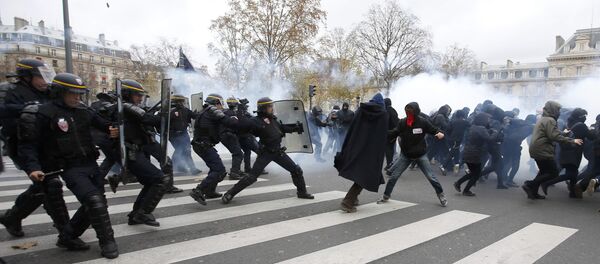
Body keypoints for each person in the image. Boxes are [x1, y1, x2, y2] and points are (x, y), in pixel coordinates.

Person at [18, 73, 119, 258]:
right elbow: (29, 144)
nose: (77, 97)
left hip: (90, 164)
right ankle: (107, 241)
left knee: (97, 203)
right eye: (72, 93)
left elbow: (104, 124)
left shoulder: (83, 110)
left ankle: (67, 235)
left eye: (79, 93)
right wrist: (33, 167)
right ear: (59, 92)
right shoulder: (44, 113)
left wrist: (113, 129)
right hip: (68, 166)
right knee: (94, 201)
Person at [0, 59, 70, 238]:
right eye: (40, 76)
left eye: (46, 76)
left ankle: (12, 217)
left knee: (41, 188)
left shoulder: (49, 92)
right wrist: (31, 110)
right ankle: (67, 231)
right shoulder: (13, 93)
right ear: (26, 77)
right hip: (24, 146)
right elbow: (6, 115)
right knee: (51, 185)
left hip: (49, 147)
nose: (44, 80)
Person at [222, 97, 314, 203]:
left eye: (272, 106)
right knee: (251, 177)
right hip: (266, 153)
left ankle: (302, 192)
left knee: (296, 170)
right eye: (270, 106)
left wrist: (294, 128)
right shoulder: (255, 121)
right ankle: (230, 193)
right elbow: (241, 125)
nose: (272, 108)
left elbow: (281, 128)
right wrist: (241, 110)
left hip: (278, 152)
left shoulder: (272, 119)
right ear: (263, 108)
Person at [117, 79, 172, 225]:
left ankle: (135, 215)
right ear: (127, 94)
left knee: (150, 181)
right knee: (159, 179)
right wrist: (164, 115)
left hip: (136, 150)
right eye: (137, 95)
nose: (140, 98)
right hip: (131, 152)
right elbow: (148, 119)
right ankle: (144, 212)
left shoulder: (128, 107)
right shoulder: (127, 106)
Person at [381, 102, 448, 206]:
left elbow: (433, 129)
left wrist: (439, 133)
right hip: (406, 154)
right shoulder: (403, 122)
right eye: (407, 112)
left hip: (420, 154)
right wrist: (382, 133)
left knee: (431, 177)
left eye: (411, 111)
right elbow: (394, 132)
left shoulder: (422, 122)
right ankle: (386, 195)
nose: (409, 114)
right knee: (394, 176)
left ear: (416, 112)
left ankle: (441, 194)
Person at [335, 93, 388, 212]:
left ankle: (353, 199)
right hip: (371, 151)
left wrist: (348, 146)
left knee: (362, 173)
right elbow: (382, 136)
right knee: (366, 175)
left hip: (357, 146)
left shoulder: (361, 110)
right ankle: (348, 201)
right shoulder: (383, 114)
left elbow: (352, 128)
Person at [189, 94, 244, 205]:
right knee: (219, 170)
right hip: (204, 145)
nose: (221, 106)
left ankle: (210, 191)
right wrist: (235, 119)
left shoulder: (204, 111)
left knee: (214, 168)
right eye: (220, 103)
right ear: (216, 103)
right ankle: (198, 190)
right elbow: (229, 122)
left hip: (201, 144)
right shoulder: (213, 110)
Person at [522, 101, 583, 200]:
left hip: (537, 148)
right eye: (558, 109)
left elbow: (552, 132)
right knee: (553, 172)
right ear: (553, 110)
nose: (559, 112)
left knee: (543, 171)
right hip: (542, 149)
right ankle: (530, 184)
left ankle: (533, 192)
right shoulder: (550, 120)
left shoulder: (544, 119)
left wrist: (564, 133)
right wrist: (572, 140)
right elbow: (553, 136)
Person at [541, 108, 591, 198]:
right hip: (573, 153)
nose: (585, 118)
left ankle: (572, 193)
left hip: (567, 151)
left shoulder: (571, 123)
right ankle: (547, 183)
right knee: (571, 174)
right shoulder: (581, 126)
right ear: (580, 116)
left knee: (573, 173)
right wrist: (591, 130)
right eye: (584, 116)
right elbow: (591, 136)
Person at [454, 113, 500, 196]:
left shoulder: (473, 126)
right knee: (476, 174)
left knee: (474, 173)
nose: (489, 121)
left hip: (468, 151)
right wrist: (495, 133)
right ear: (483, 120)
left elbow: (481, 134)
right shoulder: (481, 128)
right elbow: (489, 139)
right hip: (474, 153)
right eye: (488, 119)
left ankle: (459, 183)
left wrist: (489, 130)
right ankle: (465, 190)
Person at [169, 95, 201, 175]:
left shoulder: (185, 110)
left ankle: (180, 167)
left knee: (185, 150)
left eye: (182, 101)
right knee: (180, 150)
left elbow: (194, 116)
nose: (182, 103)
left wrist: (200, 113)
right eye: (180, 101)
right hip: (173, 135)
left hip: (183, 133)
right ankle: (175, 166)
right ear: (176, 102)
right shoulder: (169, 111)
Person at [220, 97, 247, 180]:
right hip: (229, 135)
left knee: (237, 153)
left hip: (226, 135)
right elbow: (237, 123)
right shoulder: (232, 113)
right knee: (238, 153)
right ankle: (234, 172)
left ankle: (236, 170)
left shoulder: (226, 112)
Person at [441, 109, 470, 175]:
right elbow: (471, 127)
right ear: (463, 115)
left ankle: (456, 168)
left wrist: (449, 137)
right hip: (457, 140)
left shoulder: (452, 121)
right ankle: (443, 166)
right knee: (452, 152)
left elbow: (447, 130)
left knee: (457, 152)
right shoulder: (465, 122)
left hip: (451, 139)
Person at [384, 98, 399, 169]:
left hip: (388, 133)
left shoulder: (387, 110)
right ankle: (390, 164)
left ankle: (390, 165)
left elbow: (386, 121)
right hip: (394, 133)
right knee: (391, 150)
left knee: (388, 150)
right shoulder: (394, 110)